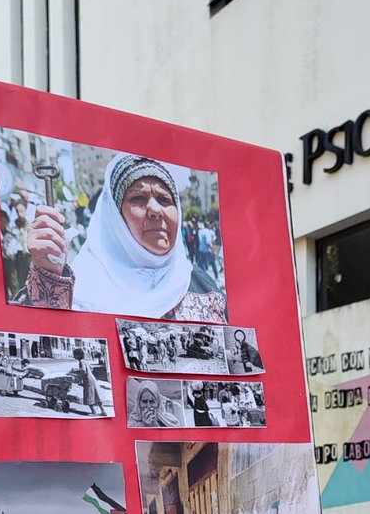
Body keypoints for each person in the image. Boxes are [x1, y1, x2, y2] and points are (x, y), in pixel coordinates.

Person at [20, 152, 227, 322]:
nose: (155, 210)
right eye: (138, 198)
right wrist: (47, 274)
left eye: (164, 199)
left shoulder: (203, 286)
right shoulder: (79, 289)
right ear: (115, 218)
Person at [69, 346, 107, 417]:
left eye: (74, 354)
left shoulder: (81, 362)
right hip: (92, 378)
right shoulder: (85, 361)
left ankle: (94, 412)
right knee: (96, 395)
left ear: (77, 355)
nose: (74, 356)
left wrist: (74, 371)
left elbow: (83, 370)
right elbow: (91, 368)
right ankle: (103, 411)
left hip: (88, 380)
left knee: (88, 396)